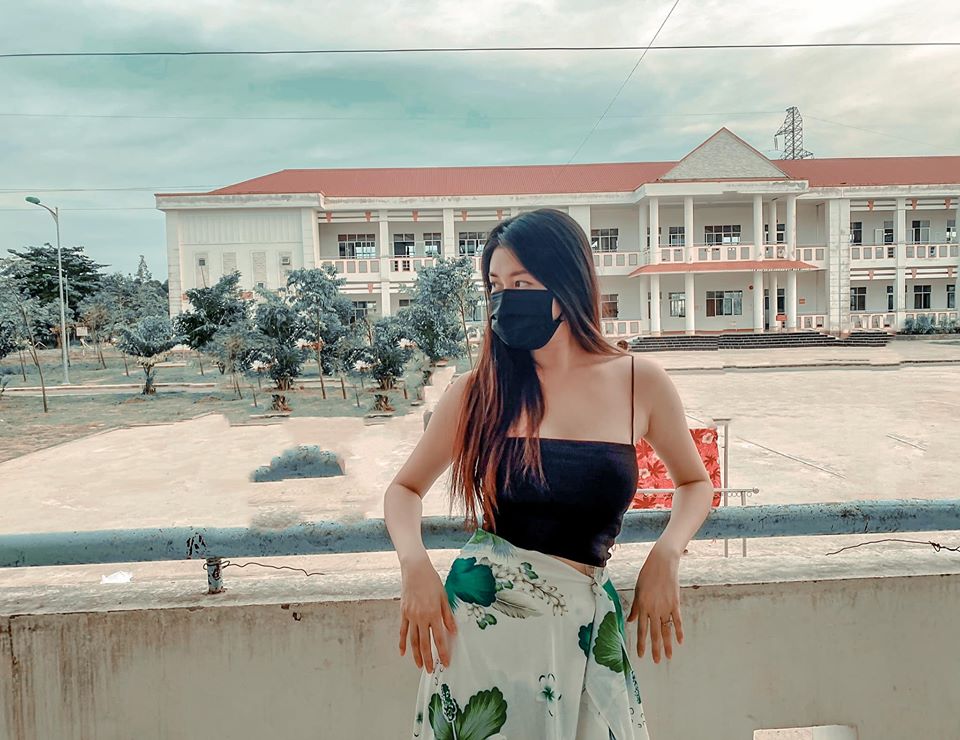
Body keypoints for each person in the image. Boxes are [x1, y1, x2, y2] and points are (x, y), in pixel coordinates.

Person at [384, 208, 715, 739]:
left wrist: (668, 552)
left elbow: (695, 483)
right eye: (495, 285)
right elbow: (404, 489)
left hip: (583, 626)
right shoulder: (477, 392)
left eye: (521, 283)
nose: (504, 298)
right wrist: (414, 565)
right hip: (484, 632)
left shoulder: (639, 382)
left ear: (567, 283)